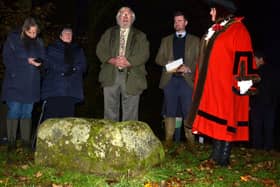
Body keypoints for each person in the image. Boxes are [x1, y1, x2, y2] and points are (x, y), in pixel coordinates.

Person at [186, 0, 259, 166]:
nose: (211, 13)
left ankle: (223, 159)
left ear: (221, 10)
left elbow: (244, 57)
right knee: (216, 122)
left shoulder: (237, 29)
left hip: (227, 85)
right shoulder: (215, 30)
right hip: (211, 85)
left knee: (226, 121)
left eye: (213, 10)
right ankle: (215, 157)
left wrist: (243, 85)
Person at [96, 7, 149, 121]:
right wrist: (112, 60)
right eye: (122, 14)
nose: (125, 16)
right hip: (110, 74)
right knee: (110, 110)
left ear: (132, 18)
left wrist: (128, 61)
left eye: (128, 14)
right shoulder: (109, 33)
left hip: (133, 76)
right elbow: (100, 50)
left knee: (131, 112)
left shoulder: (140, 35)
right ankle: (111, 136)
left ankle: (128, 137)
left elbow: (144, 54)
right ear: (118, 18)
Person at [155, 11, 200, 147]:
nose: (177, 24)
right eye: (175, 21)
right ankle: (168, 141)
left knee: (188, 110)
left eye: (180, 21)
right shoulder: (166, 40)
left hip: (187, 80)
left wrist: (188, 68)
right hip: (170, 80)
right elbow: (158, 59)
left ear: (186, 23)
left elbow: (200, 60)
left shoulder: (195, 40)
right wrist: (168, 62)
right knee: (170, 110)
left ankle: (191, 142)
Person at [1, 17, 45, 151]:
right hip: (15, 82)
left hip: (32, 83)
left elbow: (44, 58)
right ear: (25, 30)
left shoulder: (39, 42)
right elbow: (7, 59)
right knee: (14, 110)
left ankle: (26, 142)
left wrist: (40, 63)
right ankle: (11, 141)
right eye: (31, 32)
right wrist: (26, 61)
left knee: (27, 112)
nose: (33, 35)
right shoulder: (13, 39)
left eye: (35, 32)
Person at [40, 27, 87, 121]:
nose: (69, 35)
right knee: (51, 119)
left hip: (71, 90)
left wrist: (74, 69)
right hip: (54, 89)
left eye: (70, 34)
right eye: (66, 33)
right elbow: (48, 62)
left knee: (67, 120)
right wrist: (64, 69)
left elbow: (83, 65)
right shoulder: (52, 48)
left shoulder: (78, 50)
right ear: (60, 36)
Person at [250, 50, 277, 151]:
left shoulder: (257, 72)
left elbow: (254, 89)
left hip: (260, 104)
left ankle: (258, 148)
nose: (253, 61)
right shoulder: (274, 71)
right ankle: (268, 148)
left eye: (255, 59)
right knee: (268, 128)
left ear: (261, 59)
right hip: (269, 104)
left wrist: (250, 103)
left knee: (258, 127)